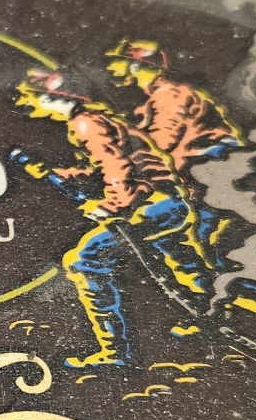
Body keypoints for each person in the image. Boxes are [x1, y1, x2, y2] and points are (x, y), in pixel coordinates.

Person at [105, 39, 256, 353]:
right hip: (203, 177)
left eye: (119, 61)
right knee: (192, 253)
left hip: (214, 176)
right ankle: (216, 314)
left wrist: (148, 182)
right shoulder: (154, 99)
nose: (112, 68)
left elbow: (163, 146)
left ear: (138, 65)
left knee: (205, 254)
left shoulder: (170, 95)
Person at [12, 72, 211, 370]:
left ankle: (116, 350)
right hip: (168, 202)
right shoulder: (98, 121)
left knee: (86, 261)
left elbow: (115, 167)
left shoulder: (86, 124)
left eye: (37, 98)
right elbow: (109, 164)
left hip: (149, 206)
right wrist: (63, 174)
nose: (34, 105)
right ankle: (217, 317)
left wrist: (112, 205)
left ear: (57, 98)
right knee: (183, 262)